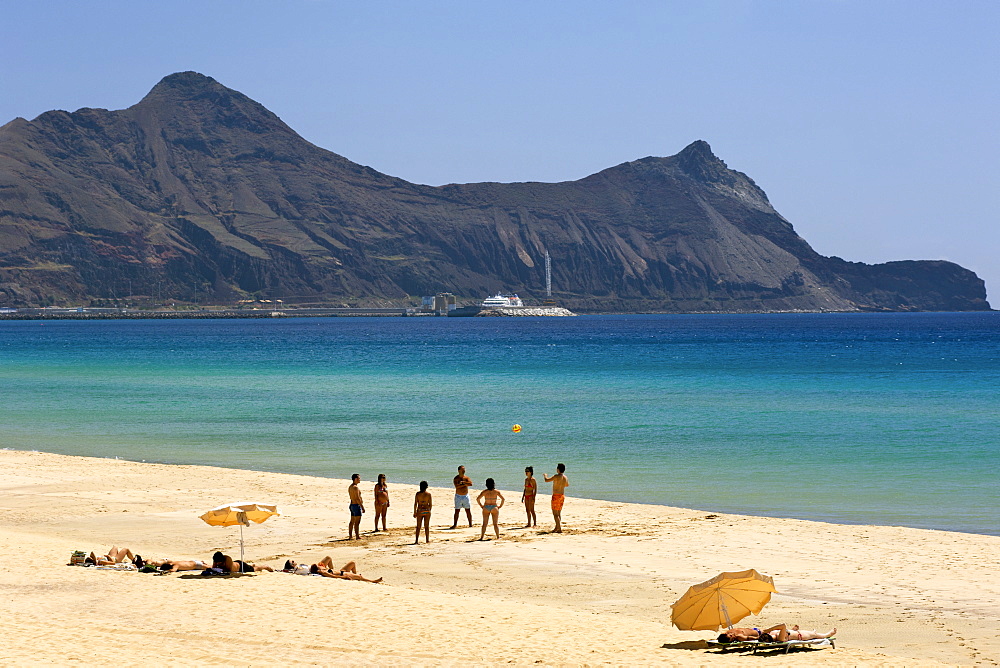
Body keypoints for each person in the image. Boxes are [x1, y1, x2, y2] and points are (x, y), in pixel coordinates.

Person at [718, 624, 837, 643]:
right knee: (818, 636)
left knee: (813, 633)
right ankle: (828, 634)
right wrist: (766, 631)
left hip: (793, 633)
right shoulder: (779, 640)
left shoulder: (775, 637)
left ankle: (814, 633)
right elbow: (783, 626)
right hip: (801, 635)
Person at [310, 556, 382, 583]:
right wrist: (344, 577)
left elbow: (328, 558)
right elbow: (334, 577)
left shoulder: (322, 567)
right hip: (342, 574)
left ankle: (355, 574)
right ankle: (373, 581)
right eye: (318, 566)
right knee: (359, 577)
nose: (320, 565)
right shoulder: (322, 571)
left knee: (352, 563)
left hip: (341, 571)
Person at [543, 463, 569, 533]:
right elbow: (566, 485)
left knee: (555, 514)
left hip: (556, 496)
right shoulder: (565, 477)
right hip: (562, 496)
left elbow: (546, 480)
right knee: (559, 513)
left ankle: (559, 528)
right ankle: (556, 527)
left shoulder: (556, 476)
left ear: (558, 469)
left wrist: (545, 476)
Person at [348, 473, 365, 540]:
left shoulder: (350, 487)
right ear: (355, 479)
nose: (359, 479)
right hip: (356, 505)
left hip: (352, 505)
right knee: (357, 522)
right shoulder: (355, 488)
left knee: (352, 521)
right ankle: (357, 536)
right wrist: (362, 506)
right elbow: (357, 498)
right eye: (358, 478)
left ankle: (350, 535)